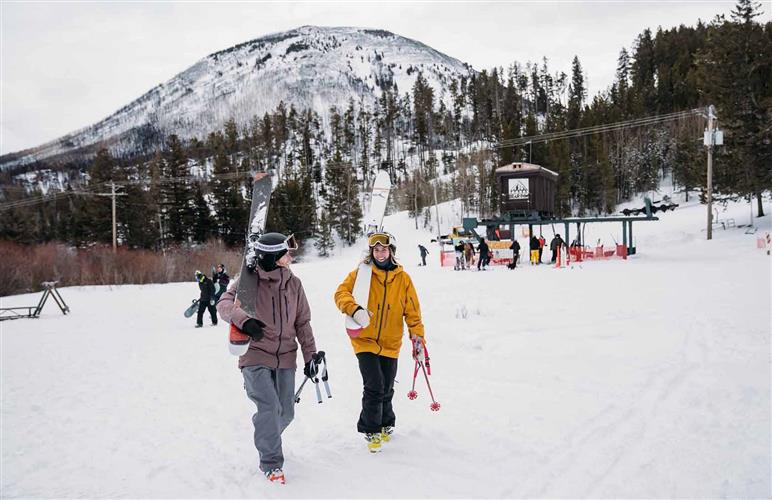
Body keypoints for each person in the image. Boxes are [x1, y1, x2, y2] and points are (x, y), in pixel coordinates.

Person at [217, 232, 320, 485]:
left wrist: (311, 356)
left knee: (285, 414)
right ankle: (271, 463)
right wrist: (245, 320)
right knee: (269, 409)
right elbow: (224, 304)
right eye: (286, 253)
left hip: (286, 356)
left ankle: (267, 434)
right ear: (274, 257)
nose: (290, 256)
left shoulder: (294, 284)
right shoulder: (248, 281)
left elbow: (302, 322)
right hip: (255, 354)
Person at [334, 232, 425, 454]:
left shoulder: (403, 279)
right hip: (364, 339)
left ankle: (386, 422)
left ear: (391, 251)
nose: (380, 253)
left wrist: (418, 337)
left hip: (391, 341)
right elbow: (340, 293)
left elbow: (412, 311)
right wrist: (354, 310)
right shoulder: (362, 274)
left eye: (384, 249)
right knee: (374, 384)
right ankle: (371, 428)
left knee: (387, 385)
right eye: (376, 250)